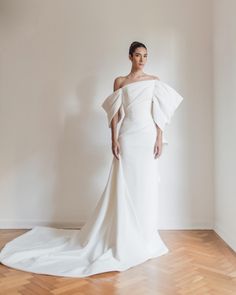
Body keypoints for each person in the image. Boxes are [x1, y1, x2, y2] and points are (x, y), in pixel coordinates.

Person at [0, 41, 183, 278]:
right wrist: (114, 139)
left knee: (146, 185)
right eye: (138, 55)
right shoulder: (120, 82)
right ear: (130, 57)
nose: (142, 60)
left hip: (147, 135)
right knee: (125, 184)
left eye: (145, 56)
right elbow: (115, 113)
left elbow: (160, 112)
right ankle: (123, 236)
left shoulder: (154, 80)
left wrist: (160, 137)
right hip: (128, 136)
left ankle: (146, 236)